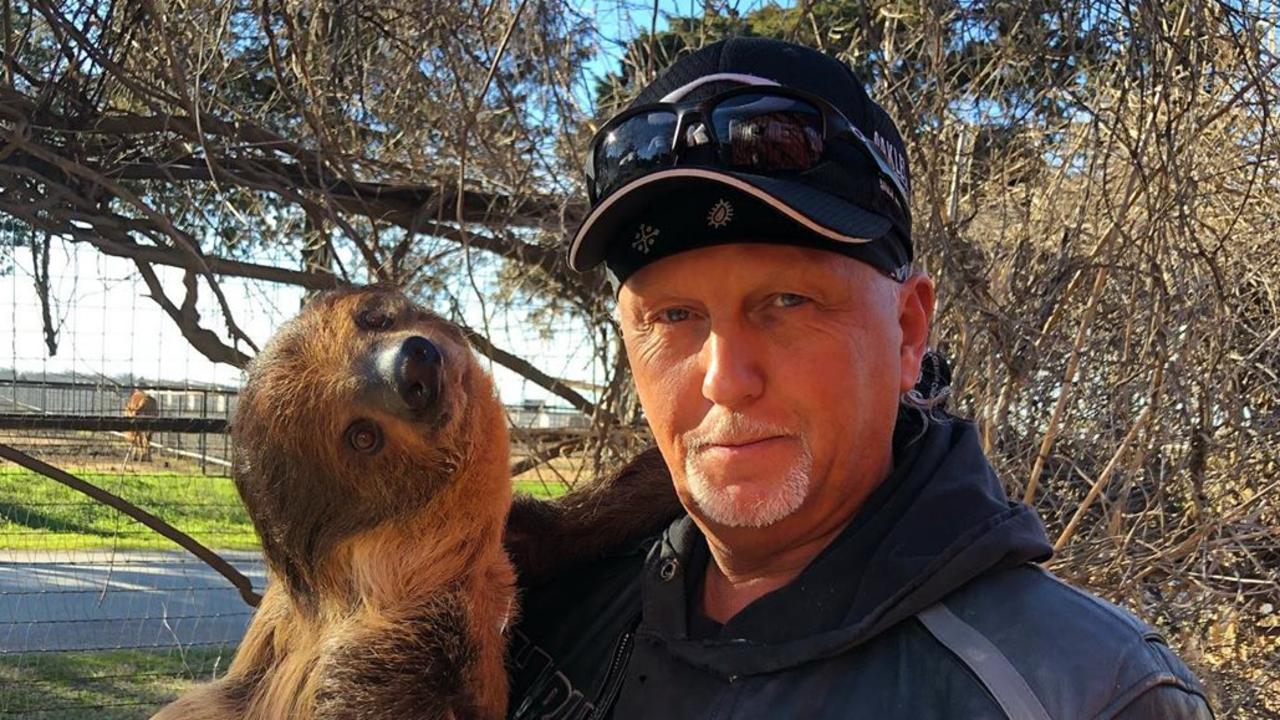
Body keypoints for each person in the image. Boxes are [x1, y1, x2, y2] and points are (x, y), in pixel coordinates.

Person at [506, 37, 1213, 719]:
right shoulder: (530, 602)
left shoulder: (1085, 693)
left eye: (786, 302)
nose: (725, 380)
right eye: (674, 314)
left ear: (908, 330)